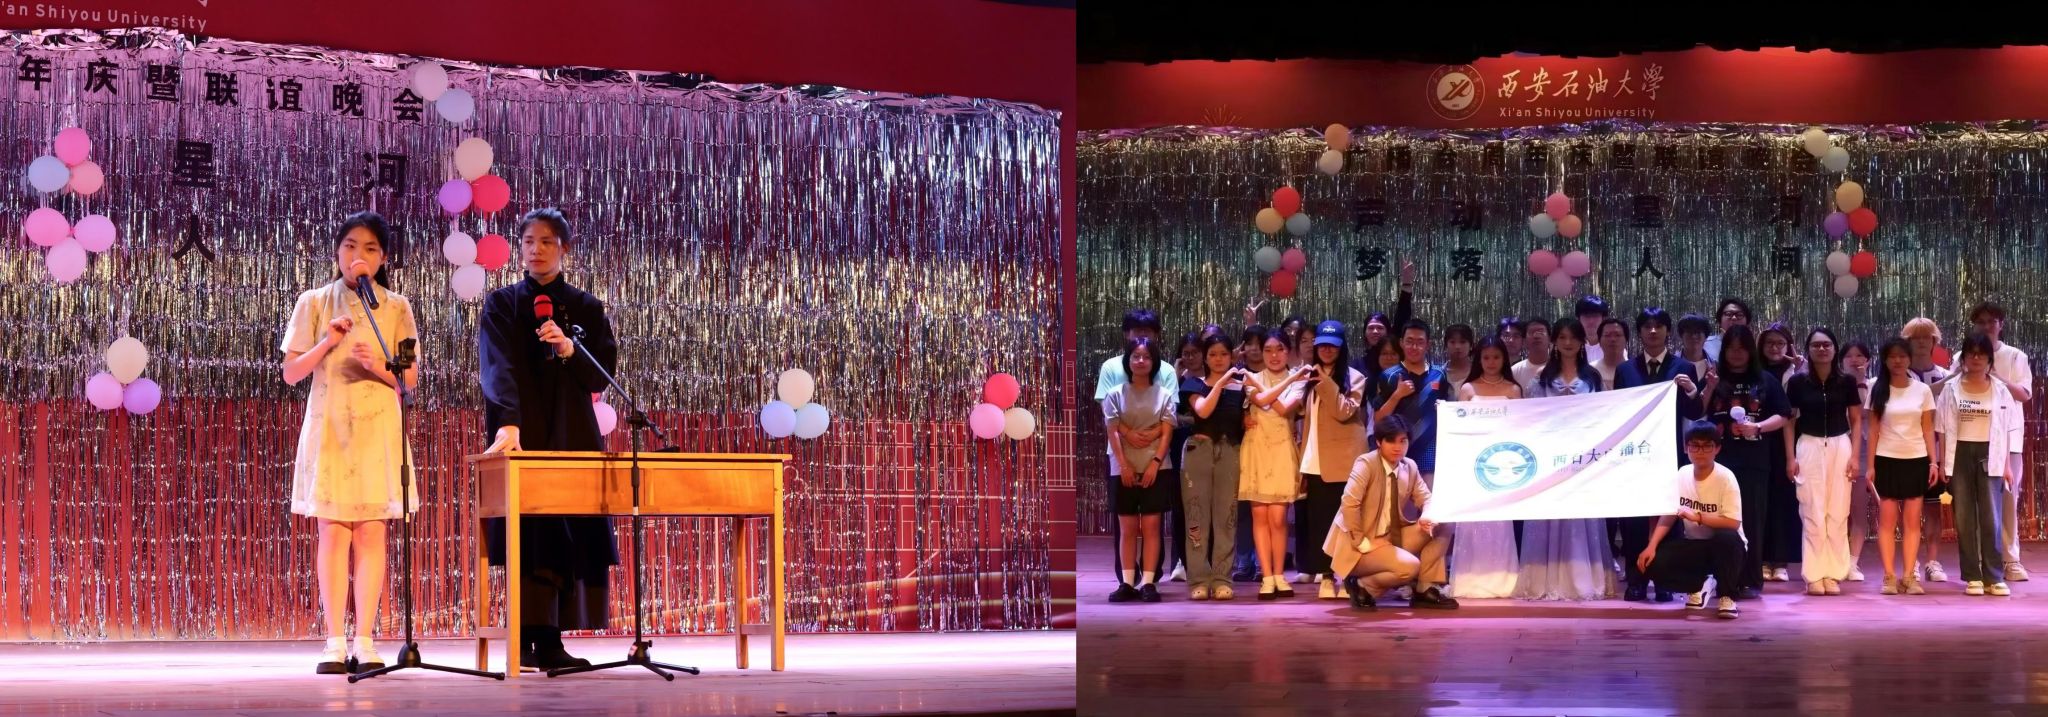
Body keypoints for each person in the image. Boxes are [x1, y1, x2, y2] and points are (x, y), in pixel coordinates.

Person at [478, 207, 618, 669]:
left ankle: (550, 640)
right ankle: (528, 638)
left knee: (566, 531)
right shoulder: (503, 303)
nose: (535, 250)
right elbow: (497, 367)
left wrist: (570, 348)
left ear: (564, 248)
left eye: (546, 242)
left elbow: (602, 373)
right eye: (528, 241)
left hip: (572, 431)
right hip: (521, 430)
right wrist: (508, 421)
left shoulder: (586, 307)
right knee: (529, 533)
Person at [282, 211, 420, 674]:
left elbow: (409, 381)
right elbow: (291, 372)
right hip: (331, 426)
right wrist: (326, 343)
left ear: (383, 259)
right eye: (349, 246)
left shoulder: (396, 308)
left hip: (377, 428)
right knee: (334, 530)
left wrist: (376, 366)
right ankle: (334, 642)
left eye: (370, 249)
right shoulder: (314, 302)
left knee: (372, 531)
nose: (358, 256)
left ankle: (366, 640)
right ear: (337, 251)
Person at [1515, 320, 1617, 601]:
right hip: (1551, 460)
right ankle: (1545, 579)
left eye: (1573, 338)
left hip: (1583, 460)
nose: (1568, 343)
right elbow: (1531, 419)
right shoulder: (1541, 379)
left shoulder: (1593, 378)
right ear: (1555, 342)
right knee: (1550, 516)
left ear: (1582, 341)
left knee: (1581, 518)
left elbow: (1604, 416)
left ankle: (1582, 579)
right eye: (1562, 338)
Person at [1327, 416, 1459, 611]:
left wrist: (1427, 515)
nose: (1398, 447)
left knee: (1443, 523)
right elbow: (1349, 504)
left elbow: (1426, 498)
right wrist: (1363, 543)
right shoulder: (1366, 463)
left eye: (1403, 441)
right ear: (1379, 442)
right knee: (1410, 567)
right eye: (1391, 441)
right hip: (1359, 544)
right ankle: (1363, 586)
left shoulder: (1409, 466)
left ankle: (1425, 588)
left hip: (1390, 539)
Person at [1700, 325, 1792, 600]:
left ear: (1750, 350)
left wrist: (1758, 426)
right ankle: (1721, 579)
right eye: (1731, 348)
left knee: (1752, 521)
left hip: (1754, 462)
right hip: (1719, 463)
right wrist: (1709, 388)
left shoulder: (1765, 380)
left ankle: (1750, 580)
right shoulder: (1715, 378)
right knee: (1719, 521)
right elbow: (1698, 411)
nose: (1737, 353)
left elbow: (1784, 415)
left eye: (1742, 348)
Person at [1095, 309, 1179, 586]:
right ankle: (1127, 581)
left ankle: (1150, 582)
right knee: (1127, 525)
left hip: (1156, 458)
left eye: (1148, 332)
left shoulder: (1166, 376)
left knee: (1153, 524)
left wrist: (1154, 442)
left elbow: (1169, 419)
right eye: (1136, 331)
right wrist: (1128, 436)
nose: (1141, 360)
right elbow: (1109, 417)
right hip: (1122, 458)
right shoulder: (1111, 372)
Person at [1623, 307, 1702, 602]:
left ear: (1668, 331)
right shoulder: (1626, 370)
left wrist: (1693, 391)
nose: (1653, 331)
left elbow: (1695, 412)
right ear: (1640, 332)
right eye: (1647, 326)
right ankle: (1636, 580)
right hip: (1634, 456)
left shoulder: (1683, 367)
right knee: (1634, 520)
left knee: (1669, 518)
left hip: (1670, 455)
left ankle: (1665, 581)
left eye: (1659, 326)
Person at [1934, 333, 2022, 597]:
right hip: (1959, 454)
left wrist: (2006, 466)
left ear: (1989, 359)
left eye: (1981, 354)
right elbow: (1942, 429)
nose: (1976, 358)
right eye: (1970, 353)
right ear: (1963, 358)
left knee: (1992, 517)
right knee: (1964, 518)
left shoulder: (2001, 390)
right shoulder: (1951, 389)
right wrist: (1943, 463)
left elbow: (2006, 429)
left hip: (1991, 455)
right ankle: (1972, 576)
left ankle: (1994, 577)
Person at [1638, 420, 1747, 619]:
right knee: (1653, 562)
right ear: (1686, 448)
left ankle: (1727, 596)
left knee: (1726, 537)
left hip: (1729, 549)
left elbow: (1733, 523)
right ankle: (1700, 585)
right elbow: (1669, 514)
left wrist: (1697, 517)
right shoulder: (1682, 474)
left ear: (1717, 449)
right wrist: (1651, 545)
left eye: (1707, 446)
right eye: (1695, 445)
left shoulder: (1726, 477)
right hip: (1696, 545)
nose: (1700, 451)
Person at [1297, 320, 1372, 601]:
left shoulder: (1355, 377)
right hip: (1315, 458)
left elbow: (1344, 411)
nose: (1327, 350)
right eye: (1322, 345)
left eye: (1333, 346)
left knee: (1347, 522)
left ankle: (1348, 576)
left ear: (1342, 349)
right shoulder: (1307, 376)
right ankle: (1326, 576)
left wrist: (1324, 382)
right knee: (1320, 521)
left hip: (1345, 459)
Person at [1786, 328, 1864, 596]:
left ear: (1834, 348)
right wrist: (1790, 457)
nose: (1822, 349)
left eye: (1827, 344)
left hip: (1840, 445)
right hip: (1808, 445)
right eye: (1816, 345)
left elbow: (1856, 420)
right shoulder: (1797, 382)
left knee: (1838, 512)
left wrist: (1855, 456)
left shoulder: (1846, 382)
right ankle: (1814, 575)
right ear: (1808, 349)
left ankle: (1833, 574)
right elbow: (1789, 421)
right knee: (1812, 510)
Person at [1864, 339, 1939, 596]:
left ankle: (1909, 576)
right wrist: (1870, 466)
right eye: (1892, 356)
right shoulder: (1877, 388)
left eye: (1902, 356)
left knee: (1912, 522)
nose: (1897, 361)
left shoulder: (1922, 390)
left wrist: (1933, 461)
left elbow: (1928, 428)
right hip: (1886, 460)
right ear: (1885, 360)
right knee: (1887, 521)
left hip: (1916, 459)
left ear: (1909, 359)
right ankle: (1889, 576)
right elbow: (1873, 431)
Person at [1449, 337, 1522, 599]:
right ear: (1479, 359)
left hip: (1504, 464)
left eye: (1496, 357)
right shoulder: (1468, 389)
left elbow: (1521, 427)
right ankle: (1469, 580)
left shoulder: (1513, 389)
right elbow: (1458, 428)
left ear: (1504, 359)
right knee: (1472, 521)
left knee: (1500, 523)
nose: (1491, 362)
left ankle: (1503, 580)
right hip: (1473, 464)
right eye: (1486, 357)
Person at [1179, 334, 1248, 601]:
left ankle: (1222, 578)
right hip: (1198, 452)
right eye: (1213, 354)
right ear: (1205, 358)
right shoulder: (1193, 383)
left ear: (1232, 356)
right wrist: (1220, 382)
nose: (1219, 359)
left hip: (1230, 452)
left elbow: (1246, 417)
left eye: (1224, 354)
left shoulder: (1241, 387)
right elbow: (1204, 411)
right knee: (1196, 517)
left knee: (1226, 517)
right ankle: (1198, 578)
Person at [1243, 331, 1309, 599]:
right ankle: (1267, 577)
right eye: (1268, 349)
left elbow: (1282, 409)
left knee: (1279, 518)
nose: (1273, 355)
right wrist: (1289, 379)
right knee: (1260, 516)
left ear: (1288, 351)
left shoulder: (1299, 380)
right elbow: (1261, 401)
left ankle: (1280, 575)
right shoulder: (1252, 378)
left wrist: (1291, 378)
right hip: (1257, 448)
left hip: (1282, 448)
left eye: (1279, 349)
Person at [1970, 302, 2032, 583]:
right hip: (1972, 438)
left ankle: (2011, 559)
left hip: (2008, 442)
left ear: (2001, 325)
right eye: (1981, 322)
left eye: (1991, 321)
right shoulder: (1962, 356)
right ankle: (1979, 559)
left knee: (2007, 499)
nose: (1986, 326)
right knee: (1975, 501)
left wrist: (1993, 375)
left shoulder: (2015, 356)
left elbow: (2024, 394)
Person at [1903, 317, 1953, 584]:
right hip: (1907, 451)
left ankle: (1933, 562)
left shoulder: (1945, 375)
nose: (1921, 342)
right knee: (1908, 509)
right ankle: (1910, 562)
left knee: (1934, 509)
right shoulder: (1900, 375)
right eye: (1915, 338)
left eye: (1926, 337)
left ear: (1934, 342)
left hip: (1936, 451)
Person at [1374, 320, 1450, 487]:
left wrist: (1443, 409)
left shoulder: (1440, 375)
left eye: (1420, 342)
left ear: (1428, 344)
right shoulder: (1389, 376)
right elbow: (1378, 420)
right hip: (1397, 450)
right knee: (1398, 502)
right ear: (1401, 343)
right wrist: (1397, 396)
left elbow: (1448, 413)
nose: (1414, 347)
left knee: (1428, 501)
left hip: (1431, 451)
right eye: (1409, 341)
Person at [1757, 324, 1803, 582]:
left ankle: (1781, 561)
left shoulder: (1795, 373)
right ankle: (1762, 559)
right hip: (1758, 440)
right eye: (1770, 343)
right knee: (1761, 501)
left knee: (1784, 502)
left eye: (1780, 343)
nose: (1775, 348)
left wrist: (1799, 369)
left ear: (1789, 346)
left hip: (1788, 442)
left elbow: (1794, 412)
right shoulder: (1754, 371)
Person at [1842, 341, 1877, 582]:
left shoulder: (1876, 386)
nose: (1855, 360)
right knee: (1836, 511)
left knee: (1858, 509)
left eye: (1860, 355)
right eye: (1849, 356)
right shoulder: (1834, 385)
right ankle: (1835, 558)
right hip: (1838, 450)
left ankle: (1853, 562)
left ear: (1868, 360)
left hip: (1866, 453)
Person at [1703, 298, 1752, 363]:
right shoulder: (1704, 345)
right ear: (1719, 321)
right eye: (1729, 314)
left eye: (1739, 315)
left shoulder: (1754, 347)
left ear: (1747, 323)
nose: (1734, 318)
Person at [1511, 318, 1552, 391]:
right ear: (1524, 341)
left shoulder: (1560, 368)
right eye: (1531, 332)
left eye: (1541, 332)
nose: (1536, 336)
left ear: (1550, 339)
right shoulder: (1514, 371)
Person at [1577, 295, 1619, 365]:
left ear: (1603, 318)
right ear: (1579, 319)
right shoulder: (1573, 346)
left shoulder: (1613, 345)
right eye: (1586, 316)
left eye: (1595, 315)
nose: (1591, 321)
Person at [1677, 312, 1716, 383]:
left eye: (1698, 332)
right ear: (1681, 335)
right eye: (1689, 332)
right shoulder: (1670, 365)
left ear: (1705, 336)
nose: (1694, 336)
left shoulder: (1716, 366)